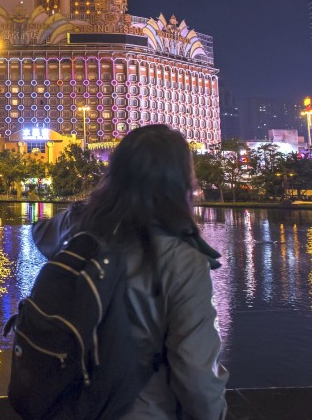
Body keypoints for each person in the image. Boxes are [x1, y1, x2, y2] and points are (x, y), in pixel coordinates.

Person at [32, 124, 227, 419]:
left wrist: (90, 207)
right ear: (180, 182)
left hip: (69, 404)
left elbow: (40, 233)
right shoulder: (185, 262)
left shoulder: (79, 227)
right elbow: (197, 378)